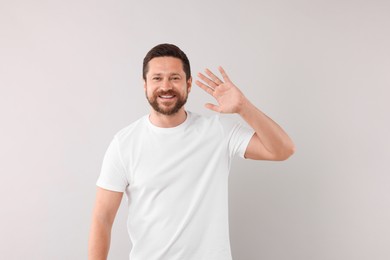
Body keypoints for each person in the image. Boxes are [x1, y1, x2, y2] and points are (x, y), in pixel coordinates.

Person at [88, 43, 295, 260]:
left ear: (189, 84)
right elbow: (102, 218)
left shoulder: (218, 132)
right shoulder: (124, 144)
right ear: (145, 85)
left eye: (175, 78)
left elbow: (282, 150)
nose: (166, 86)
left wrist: (244, 107)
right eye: (157, 78)